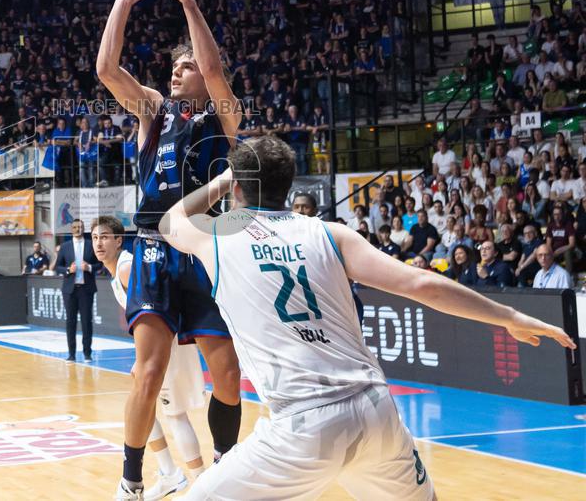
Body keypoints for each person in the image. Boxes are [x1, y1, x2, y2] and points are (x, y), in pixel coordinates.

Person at [158, 136, 574, 500]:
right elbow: (420, 284)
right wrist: (509, 316)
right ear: (289, 185)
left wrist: (222, 180)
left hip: (302, 425)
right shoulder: (330, 233)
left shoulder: (218, 236)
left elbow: (170, 221)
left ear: (237, 186)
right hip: (376, 411)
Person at [98, 0, 242, 500]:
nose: (175, 72)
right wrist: (123, 1)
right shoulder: (154, 113)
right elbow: (106, 70)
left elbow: (214, 70)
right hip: (155, 247)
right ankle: (132, 479)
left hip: (204, 248)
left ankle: (224, 468)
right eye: (173, 67)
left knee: (226, 374)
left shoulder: (223, 113)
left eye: (184, 67)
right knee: (149, 370)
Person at [92, 216, 205, 500]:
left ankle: (202, 483)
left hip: (169, 343)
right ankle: (169, 473)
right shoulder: (118, 269)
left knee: (174, 414)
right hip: (158, 345)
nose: (99, 243)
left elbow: (155, 311)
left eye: (104, 237)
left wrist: (147, 358)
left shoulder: (127, 268)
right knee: (141, 408)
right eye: (94, 238)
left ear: (119, 240)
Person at [53, 219, 99, 362]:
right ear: (71, 229)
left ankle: (87, 353)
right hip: (70, 290)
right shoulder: (65, 247)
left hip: (86, 289)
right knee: (70, 322)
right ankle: (71, 354)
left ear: (84, 228)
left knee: (87, 322)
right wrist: (68, 270)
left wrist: (89, 267)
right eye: (75, 227)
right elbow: (57, 267)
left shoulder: (91, 245)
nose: (78, 229)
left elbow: (100, 264)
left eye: (80, 227)